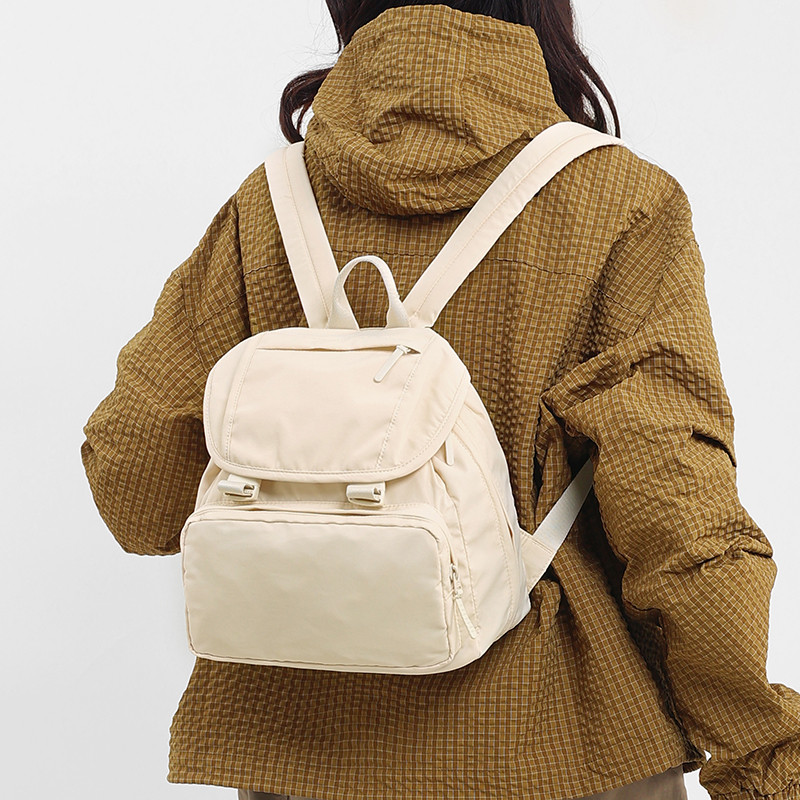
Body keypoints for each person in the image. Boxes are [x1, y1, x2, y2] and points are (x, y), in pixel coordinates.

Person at [80, 2, 800, 799]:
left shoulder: (270, 207)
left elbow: (134, 486)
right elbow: (678, 515)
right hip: (558, 751)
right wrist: (764, 758)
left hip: (297, 757)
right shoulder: (617, 202)